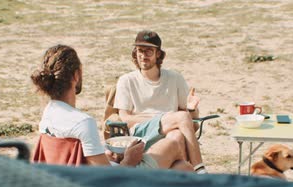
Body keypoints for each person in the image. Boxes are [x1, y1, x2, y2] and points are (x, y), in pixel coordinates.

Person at [30, 44, 195, 172]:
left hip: (76, 184)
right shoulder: (83, 122)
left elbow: (85, 160)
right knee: (172, 146)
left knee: (183, 168)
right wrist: (128, 160)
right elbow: (109, 178)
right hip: (116, 185)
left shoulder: (49, 113)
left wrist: (106, 153)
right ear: (76, 76)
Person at [113, 30, 207, 173]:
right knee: (180, 117)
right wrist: (163, 117)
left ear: (158, 54)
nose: (143, 56)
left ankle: (180, 172)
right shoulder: (127, 80)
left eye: (149, 51)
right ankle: (200, 169)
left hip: (171, 133)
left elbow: (192, 122)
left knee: (180, 147)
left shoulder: (175, 78)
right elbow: (125, 118)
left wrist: (192, 109)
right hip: (142, 133)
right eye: (140, 51)